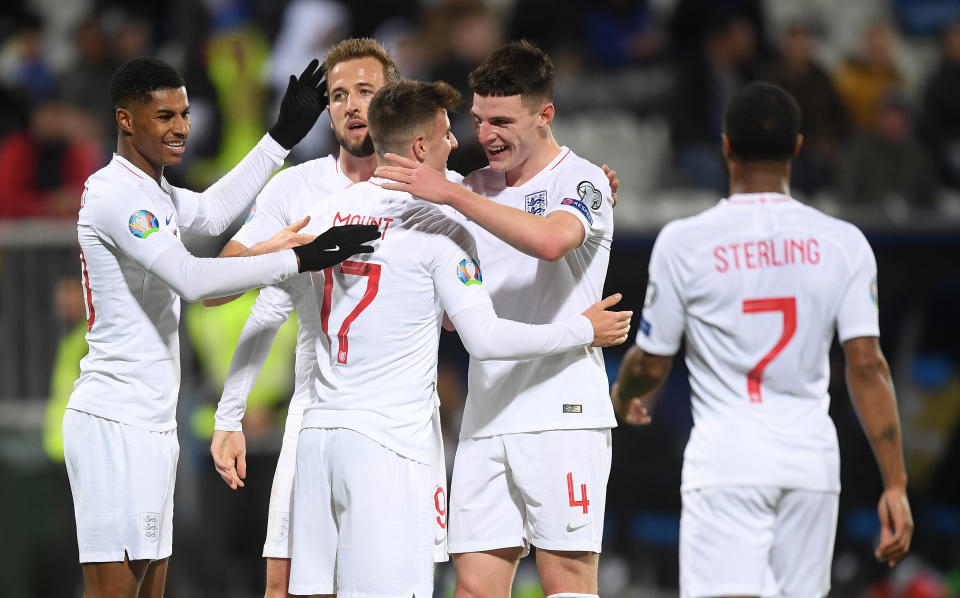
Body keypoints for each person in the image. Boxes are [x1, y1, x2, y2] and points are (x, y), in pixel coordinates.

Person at [206, 38, 623, 597]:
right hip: (399, 433)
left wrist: (589, 193)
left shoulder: (419, 201)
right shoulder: (441, 203)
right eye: (471, 123)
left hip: (515, 412)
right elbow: (477, 332)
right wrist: (583, 328)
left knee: (521, 582)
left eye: (364, 92)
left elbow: (544, 239)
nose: (475, 137)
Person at [62, 56, 379, 598]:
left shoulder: (155, 192)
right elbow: (191, 279)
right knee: (113, 592)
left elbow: (211, 212)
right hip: (114, 418)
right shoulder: (114, 194)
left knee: (149, 588)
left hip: (153, 421)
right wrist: (295, 261)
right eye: (163, 115)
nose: (181, 127)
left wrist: (279, 138)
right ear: (125, 119)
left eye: (184, 113)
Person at [611, 82, 914, 597]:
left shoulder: (686, 242)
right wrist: (896, 483)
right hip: (810, 466)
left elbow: (653, 362)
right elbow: (867, 366)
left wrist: (626, 394)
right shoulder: (844, 243)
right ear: (798, 148)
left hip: (728, 462)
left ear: (725, 145)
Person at [375, 41, 618, 598]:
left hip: (562, 411)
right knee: (474, 586)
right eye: (480, 120)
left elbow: (553, 241)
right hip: (486, 415)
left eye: (503, 120)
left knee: (567, 581)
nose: (487, 135)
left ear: (545, 115)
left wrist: (453, 196)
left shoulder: (580, 180)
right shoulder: (470, 188)